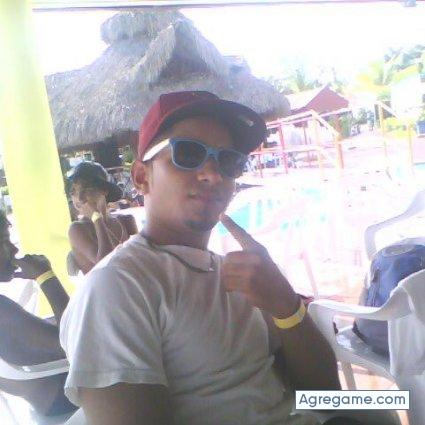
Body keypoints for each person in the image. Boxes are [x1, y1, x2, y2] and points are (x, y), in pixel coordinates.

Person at [59, 91, 341, 425]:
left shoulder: (244, 277)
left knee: (387, 405)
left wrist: (286, 306)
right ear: (142, 177)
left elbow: (328, 399)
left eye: (229, 161)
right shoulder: (119, 286)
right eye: (188, 153)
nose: (214, 174)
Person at [0, 210, 77, 416]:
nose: (14, 249)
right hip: (67, 393)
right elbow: (75, 342)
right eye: (5, 242)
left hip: (51, 394)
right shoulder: (2, 309)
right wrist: (46, 277)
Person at [67, 162, 138, 275]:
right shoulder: (77, 229)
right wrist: (96, 217)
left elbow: (140, 260)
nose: (79, 198)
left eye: (85, 189)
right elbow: (106, 265)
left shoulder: (126, 221)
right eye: (73, 191)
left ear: (104, 190)